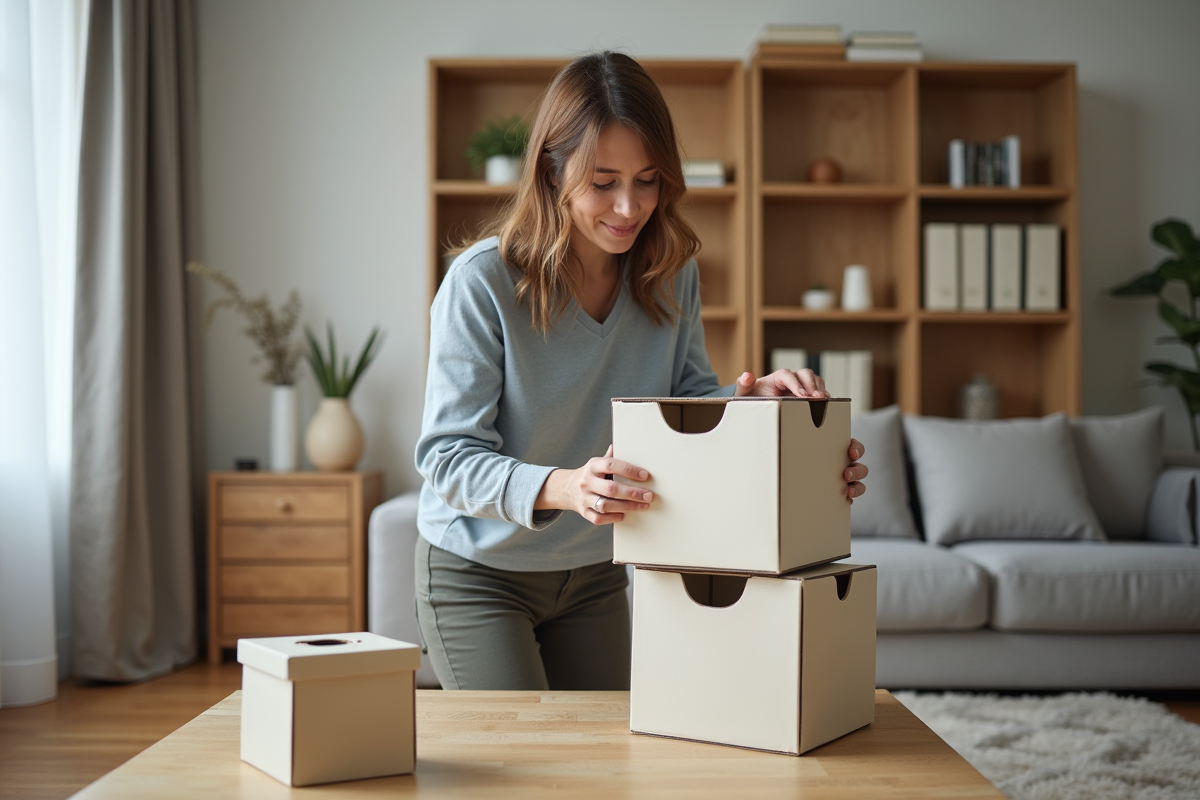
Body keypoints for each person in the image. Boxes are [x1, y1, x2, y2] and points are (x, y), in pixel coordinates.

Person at [414, 51, 867, 691]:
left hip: (596, 569)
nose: (629, 207)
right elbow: (446, 456)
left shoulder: (671, 272)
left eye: (648, 180)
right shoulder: (482, 282)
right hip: (478, 570)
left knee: (605, 769)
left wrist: (754, 403)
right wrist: (568, 487)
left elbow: (683, 404)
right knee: (521, 770)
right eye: (603, 183)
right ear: (551, 170)